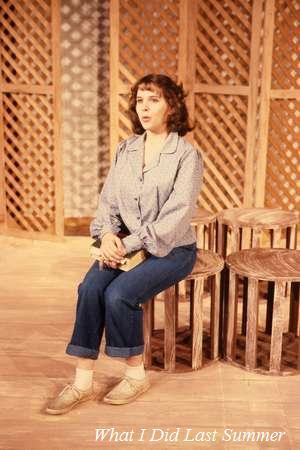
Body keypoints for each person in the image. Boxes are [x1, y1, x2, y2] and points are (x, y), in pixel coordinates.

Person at [45, 73, 203, 415]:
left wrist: (127, 242)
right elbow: (109, 202)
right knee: (90, 288)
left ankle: (135, 375)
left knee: (119, 295)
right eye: (140, 100)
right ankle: (82, 383)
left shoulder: (186, 156)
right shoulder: (127, 149)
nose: (144, 107)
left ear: (171, 105)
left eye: (154, 99)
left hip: (172, 249)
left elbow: (175, 218)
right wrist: (106, 235)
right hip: (126, 246)